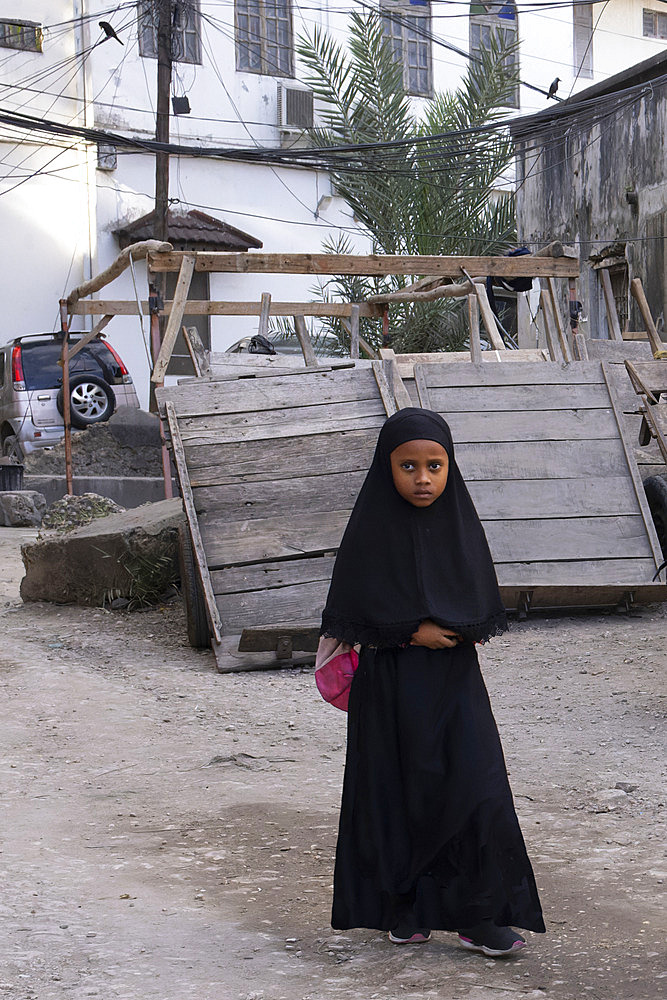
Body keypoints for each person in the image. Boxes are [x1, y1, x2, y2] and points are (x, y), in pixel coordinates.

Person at [318, 408, 545, 957]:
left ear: (450, 468)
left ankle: (480, 915)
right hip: (390, 684)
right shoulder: (371, 531)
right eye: (409, 466)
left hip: (454, 683)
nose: (423, 478)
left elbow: (480, 602)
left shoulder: (460, 527)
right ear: (386, 468)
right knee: (396, 794)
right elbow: (350, 608)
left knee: (477, 787)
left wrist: (457, 625)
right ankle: (404, 907)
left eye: (436, 466)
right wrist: (409, 631)